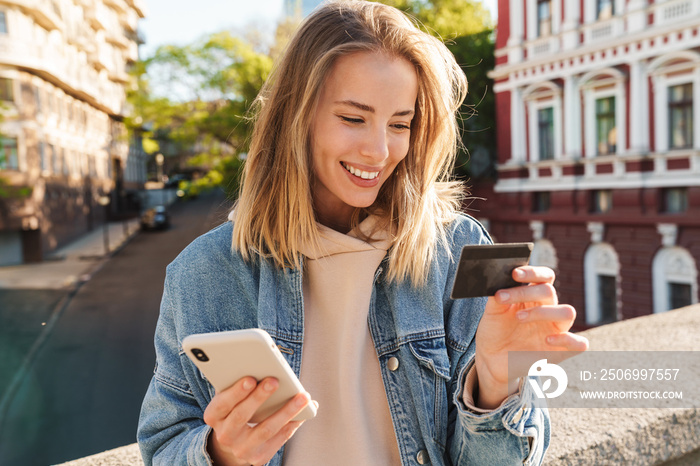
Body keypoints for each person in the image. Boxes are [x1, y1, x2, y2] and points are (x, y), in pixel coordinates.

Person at [137, 1, 589, 465]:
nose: (379, 150)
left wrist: (496, 386)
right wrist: (222, 454)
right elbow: (163, 444)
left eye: (399, 124)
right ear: (297, 118)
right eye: (354, 118)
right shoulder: (204, 273)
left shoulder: (456, 251)